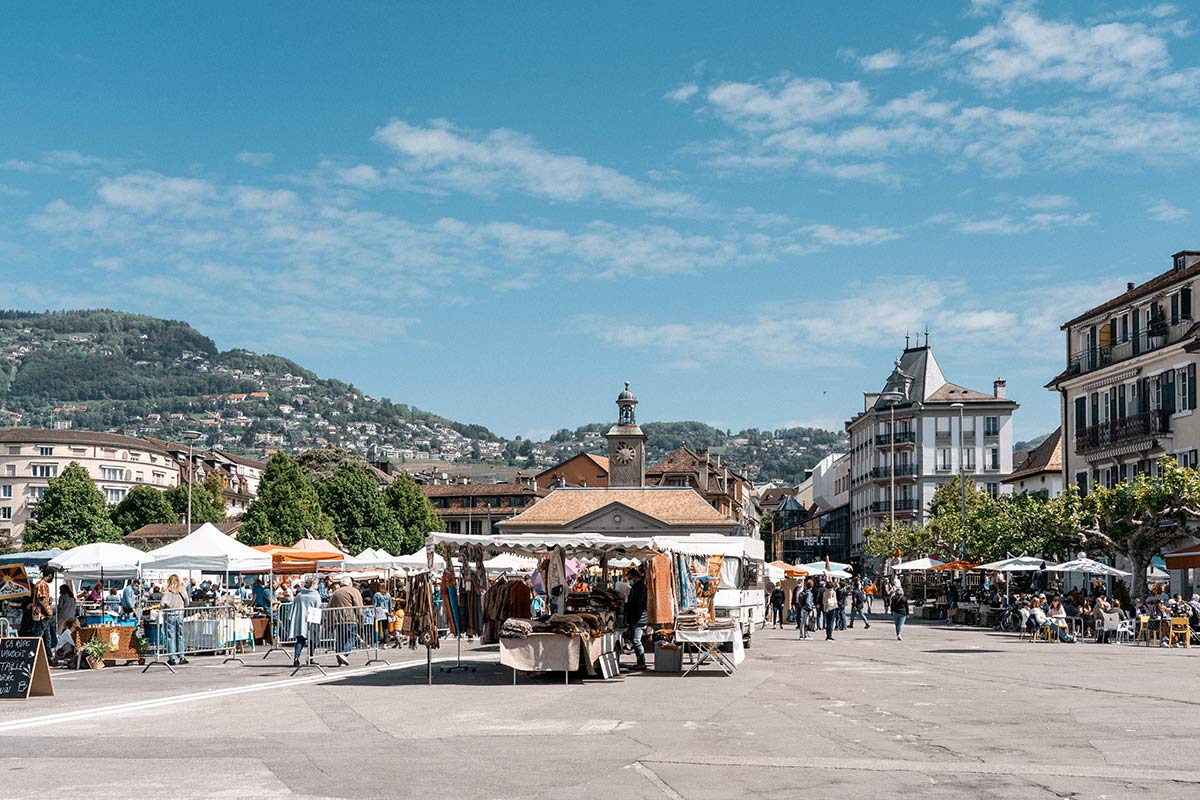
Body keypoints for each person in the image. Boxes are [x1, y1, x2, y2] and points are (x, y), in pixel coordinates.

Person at [289, 576, 323, 668]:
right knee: (313, 640)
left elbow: (293, 607)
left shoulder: (300, 595)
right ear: (313, 584)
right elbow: (319, 608)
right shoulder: (315, 595)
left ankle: (296, 657)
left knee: (300, 640)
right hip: (312, 620)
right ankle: (310, 658)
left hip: (301, 620)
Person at [329, 576, 363, 666]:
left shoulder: (335, 592)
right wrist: (361, 617)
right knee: (352, 637)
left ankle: (340, 660)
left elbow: (330, 606)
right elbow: (358, 606)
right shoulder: (354, 591)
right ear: (350, 583)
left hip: (338, 619)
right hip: (351, 618)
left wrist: (329, 620)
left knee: (340, 639)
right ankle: (344, 654)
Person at [159, 574, 190, 666]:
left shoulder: (167, 591)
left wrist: (165, 606)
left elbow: (162, 604)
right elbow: (187, 601)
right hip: (180, 614)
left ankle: (172, 657)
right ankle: (182, 656)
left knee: (170, 636)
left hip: (170, 614)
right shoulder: (182, 589)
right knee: (180, 635)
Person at [624, 567, 648, 670]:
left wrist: (628, 606)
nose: (630, 581)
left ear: (635, 577)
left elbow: (638, 602)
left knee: (636, 640)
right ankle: (640, 662)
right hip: (636, 617)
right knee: (635, 640)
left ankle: (641, 663)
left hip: (639, 617)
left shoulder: (641, 587)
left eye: (630, 578)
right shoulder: (638, 587)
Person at [31, 569, 57, 662]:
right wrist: (47, 612)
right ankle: (33, 656)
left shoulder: (39, 583)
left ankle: (49, 658)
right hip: (42, 615)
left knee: (47, 638)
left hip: (40, 614)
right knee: (39, 637)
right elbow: (40, 600)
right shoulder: (42, 584)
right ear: (50, 575)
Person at [372, 581, 393, 646]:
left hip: (379, 611)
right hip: (386, 611)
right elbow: (390, 604)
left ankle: (377, 640)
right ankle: (385, 642)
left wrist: (373, 612)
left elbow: (374, 604)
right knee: (385, 627)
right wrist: (390, 612)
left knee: (377, 626)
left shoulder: (376, 594)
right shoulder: (388, 594)